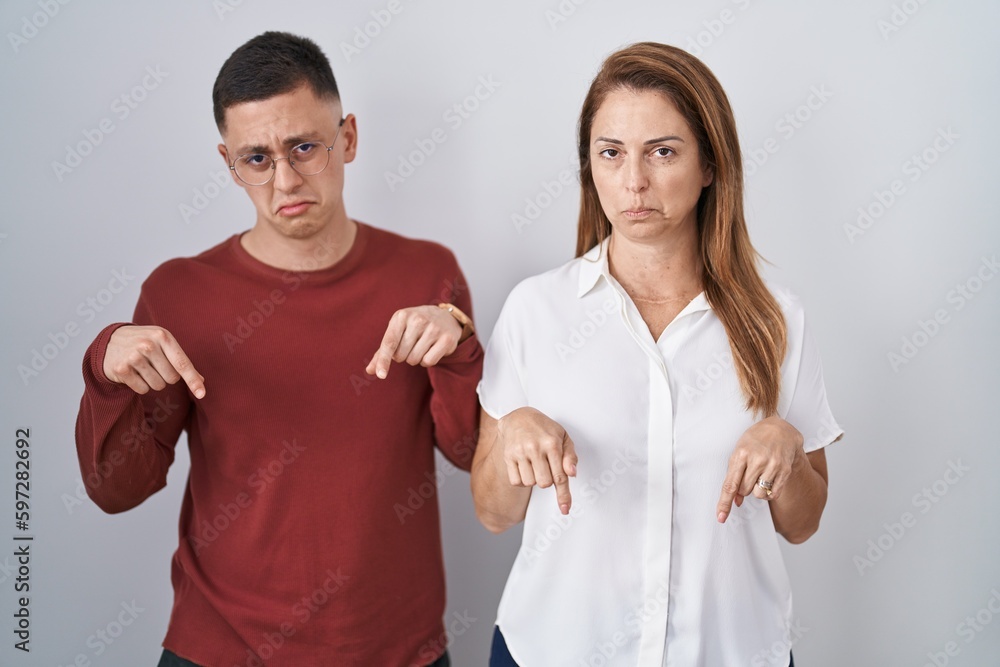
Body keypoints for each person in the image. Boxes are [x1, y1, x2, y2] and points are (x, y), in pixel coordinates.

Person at [75, 32, 482, 667]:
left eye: (304, 147)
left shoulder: (428, 275)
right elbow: (118, 489)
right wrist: (105, 370)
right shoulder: (176, 293)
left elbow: (468, 454)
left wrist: (457, 346)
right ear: (228, 164)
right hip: (220, 648)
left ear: (347, 138)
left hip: (396, 650)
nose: (285, 179)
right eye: (256, 159)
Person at [471, 42, 842, 666]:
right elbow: (491, 513)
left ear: (710, 165)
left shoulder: (777, 318)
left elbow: (801, 524)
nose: (633, 181)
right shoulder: (536, 310)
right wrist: (512, 439)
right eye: (610, 154)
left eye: (662, 152)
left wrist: (788, 453)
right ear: (591, 166)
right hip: (553, 651)